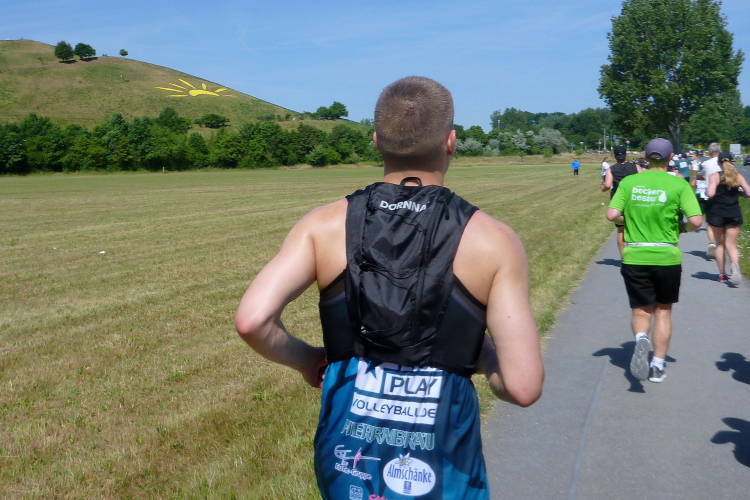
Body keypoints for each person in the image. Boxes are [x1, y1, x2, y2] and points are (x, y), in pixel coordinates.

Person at [235, 76, 544, 499]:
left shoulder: (322, 226)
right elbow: (522, 386)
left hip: (347, 457)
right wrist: (482, 354)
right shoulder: (494, 240)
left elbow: (252, 321)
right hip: (442, 465)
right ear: (451, 142)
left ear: (377, 141)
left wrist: (308, 361)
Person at [607, 138, 702, 383]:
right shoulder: (678, 184)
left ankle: (641, 338)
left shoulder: (629, 182)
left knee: (641, 310)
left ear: (646, 157)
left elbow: (612, 214)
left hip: (635, 254)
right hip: (667, 255)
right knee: (663, 311)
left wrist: (628, 220)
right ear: (670, 158)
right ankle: (658, 365)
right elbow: (696, 220)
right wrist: (682, 228)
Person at [706, 152, 750, 285]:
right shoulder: (738, 176)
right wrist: (738, 193)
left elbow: (710, 193)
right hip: (734, 212)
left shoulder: (715, 176)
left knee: (720, 245)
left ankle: (722, 275)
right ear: (732, 162)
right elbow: (748, 193)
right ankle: (735, 266)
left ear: (718, 163)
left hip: (717, 213)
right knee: (731, 244)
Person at [601, 144, 640, 257]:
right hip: (634, 199)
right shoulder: (636, 167)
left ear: (614, 155)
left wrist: (602, 188)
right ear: (626, 154)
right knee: (637, 227)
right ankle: (638, 254)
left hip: (619, 201)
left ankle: (624, 258)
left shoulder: (611, 169)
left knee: (621, 230)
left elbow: (607, 185)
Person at [701, 143, 722, 258]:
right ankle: (721, 245)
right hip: (725, 195)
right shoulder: (726, 164)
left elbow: (700, 175)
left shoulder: (706, 163)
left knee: (710, 222)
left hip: (710, 195)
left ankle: (712, 243)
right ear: (720, 151)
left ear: (709, 152)